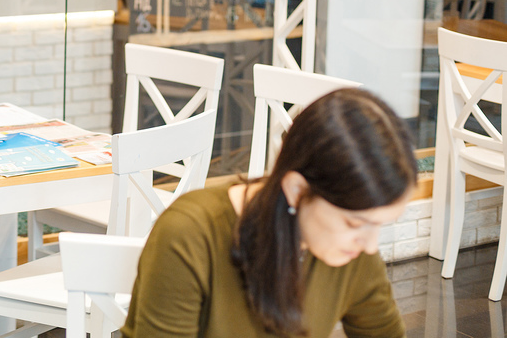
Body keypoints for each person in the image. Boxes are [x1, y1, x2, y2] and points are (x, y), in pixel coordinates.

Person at [122, 88, 417, 338]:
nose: (370, 245)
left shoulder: (353, 252)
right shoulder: (191, 234)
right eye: (355, 223)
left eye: (380, 225)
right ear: (297, 190)